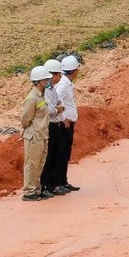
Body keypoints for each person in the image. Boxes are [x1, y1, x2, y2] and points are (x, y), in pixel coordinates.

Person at [47, 55, 82, 194]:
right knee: (61, 153)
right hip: (64, 125)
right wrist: (63, 117)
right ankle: (58, 182)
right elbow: (57, 100)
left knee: (65, 153)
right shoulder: (63, 84)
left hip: (67, 123)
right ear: (75, 71)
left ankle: (63, 181)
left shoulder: (66, 82)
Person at [20, 66, 53, 201]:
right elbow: (26, 118)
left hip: (42, 134)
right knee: (31, 164)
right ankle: (29, 191)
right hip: (34, 135)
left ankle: (37, 189)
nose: (48, 81)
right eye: (46, 79)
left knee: (40, 163)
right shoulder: (32, 98)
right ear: (40, 81)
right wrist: (26, 128)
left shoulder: (42, 96)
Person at [41, 59, 70, 195]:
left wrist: (58, 108)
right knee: (49, 156)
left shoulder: (52, 89)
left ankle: (52, 185)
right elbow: (51, 110)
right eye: (58, 74)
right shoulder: (46, 91)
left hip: (55, 124)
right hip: (49, 125)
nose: (60, 77)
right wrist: (58, 109)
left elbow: (60, 103)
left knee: (55, 155)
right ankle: (46, 185)